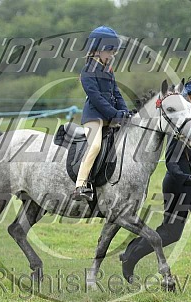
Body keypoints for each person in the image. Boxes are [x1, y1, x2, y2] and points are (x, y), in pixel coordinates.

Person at [119, 77, 191, 289]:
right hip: (178, 187)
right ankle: (131, 254)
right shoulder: (180, 124)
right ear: (189, 99)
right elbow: (172, 163)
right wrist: (187, 179)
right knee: (171, 233)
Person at [72, 26, 129, 201]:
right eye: (109, 51)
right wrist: (114, 114)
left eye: (113, 52)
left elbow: (116, 93)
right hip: (94, 118)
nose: (112, 55)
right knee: (95, 145)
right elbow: (96, 98)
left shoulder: (108, 71)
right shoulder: (88, 71)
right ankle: (80, 185)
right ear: (97, 49)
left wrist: (125, 112)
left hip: (110, 117)